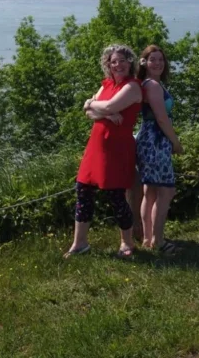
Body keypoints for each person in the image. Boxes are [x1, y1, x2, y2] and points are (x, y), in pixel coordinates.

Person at [64, 44, 143, 259]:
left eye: (122, 60)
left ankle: (126, 243)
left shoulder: (133, 86)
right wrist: (100, 110)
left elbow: (105, 107)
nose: (117, 65)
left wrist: (97, 106)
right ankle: (79, 244)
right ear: (108, 64)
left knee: (116, 195)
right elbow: (89, 111)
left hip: (117, 149)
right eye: (113, 61)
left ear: (130, 63)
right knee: (83, 191)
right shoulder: (106, 85)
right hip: (96, 147)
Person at [135, 44, 183, 254]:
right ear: (144, 62)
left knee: (151, 191)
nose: (158, 63)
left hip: (149, 138)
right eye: (153, 59)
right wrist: (176, 142)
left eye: (161, 59)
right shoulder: (153, 86)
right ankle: (159, 241)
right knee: (166, 190)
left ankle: (148, 239)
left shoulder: (149, 84)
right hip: (156, 140)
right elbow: (162, 119)